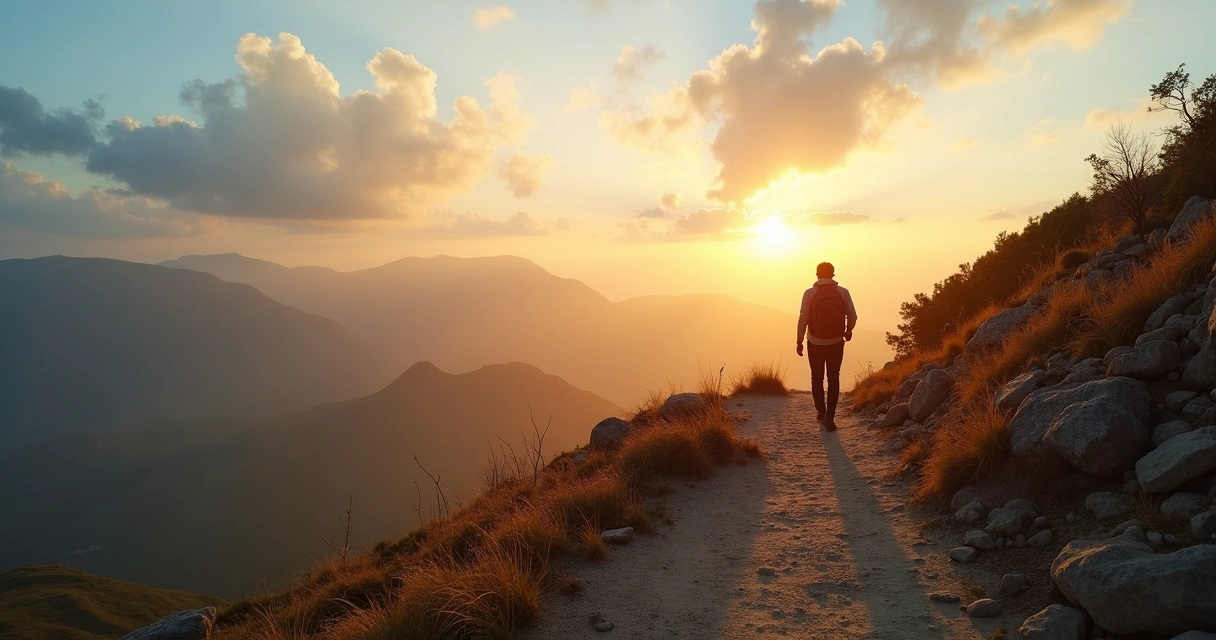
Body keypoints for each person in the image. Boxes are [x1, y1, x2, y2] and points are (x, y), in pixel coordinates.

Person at [796, 262, 857, 431]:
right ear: (833, 274)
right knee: (833, 377)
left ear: (816, 274)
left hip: (815, 342)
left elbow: (803, 318)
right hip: (836, 342)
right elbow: (852, 315)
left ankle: (821, 411)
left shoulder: (809, 293)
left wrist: (799, 341)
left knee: (816, 377)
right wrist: (848, 330)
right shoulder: (843, 292)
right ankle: (830, 414)